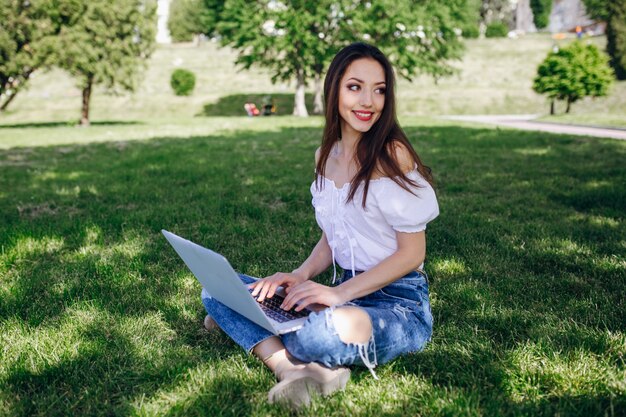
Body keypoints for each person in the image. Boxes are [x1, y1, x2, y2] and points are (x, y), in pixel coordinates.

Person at [201, 42, 439, 408]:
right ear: (334, 90)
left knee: (315, 337)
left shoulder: (392, 154)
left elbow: (413, 253)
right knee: (218, 291)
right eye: (355, 87)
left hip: (398, 305)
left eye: (379, 90)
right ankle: (291, 368)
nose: (369, 102)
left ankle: (258, 332)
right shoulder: (325, 156)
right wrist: (298, 275)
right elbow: (334, 235)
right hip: (342, 294)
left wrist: (338, 295)